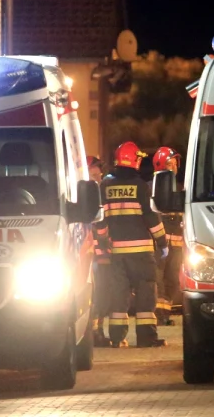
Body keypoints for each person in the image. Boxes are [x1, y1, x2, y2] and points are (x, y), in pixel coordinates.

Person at [99, 141, 168, 348]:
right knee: (146, 291)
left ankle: (117, 338)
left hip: (116, 252)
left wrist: (103, 241)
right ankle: (147, 337)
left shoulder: (105, 184)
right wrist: (163, 242)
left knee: (118, 294)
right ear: (133, 159)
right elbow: (150, 217)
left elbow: (100, 219)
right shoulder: (139, 186)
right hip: (141, 252)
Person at [152, 147, 185, 325]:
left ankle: (164, 314)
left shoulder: (181, 189)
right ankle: (157, 314)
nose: (173, 168)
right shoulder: (152, 189)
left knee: (173, 279)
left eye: (174, 164)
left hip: (177, 243)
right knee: (159, 279)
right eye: (169, 164)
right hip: (159, 243)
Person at [88, 156, 113, 347]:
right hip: (91, 255)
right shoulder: (87, 196)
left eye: (99, 174)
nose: (98, 178)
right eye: (94, 175)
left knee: (103, 294)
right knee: (95, 295)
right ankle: (94, 333)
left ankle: (97, 332)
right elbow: (100, 226)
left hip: (100, 255)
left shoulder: (101, 192)